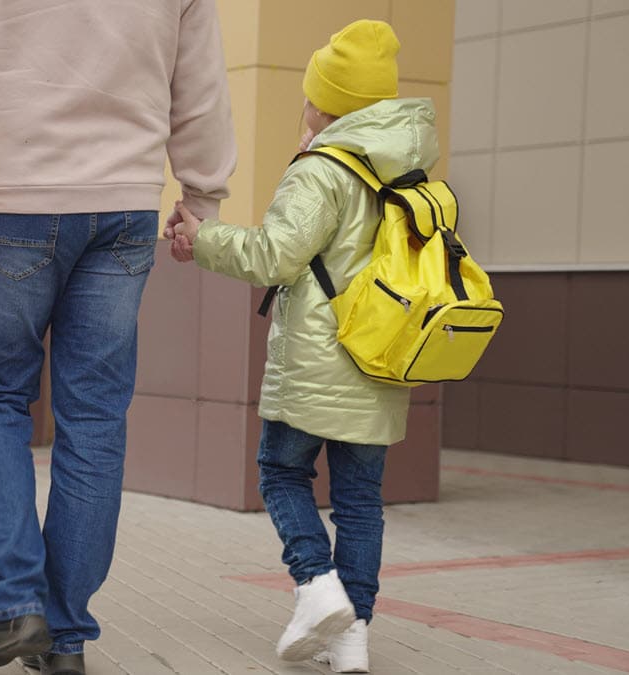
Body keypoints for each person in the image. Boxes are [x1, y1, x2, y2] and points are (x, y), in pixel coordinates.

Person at [0, 1, 236, 672]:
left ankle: (17, 605)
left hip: (15, 200)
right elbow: (202, 83)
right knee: (94, 419)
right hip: (125, 208)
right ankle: (63, 637)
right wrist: (204, 197)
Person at [169, 19, 431, 674]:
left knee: (281, 471)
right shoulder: (408, 168)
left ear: (331, 101)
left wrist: (200, 238)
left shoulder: (323, 170)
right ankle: (353, 636)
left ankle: (317, 587)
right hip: (381, 362)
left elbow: (275, 255)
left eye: (312, 93)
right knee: (360, 500)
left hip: (319, 361)